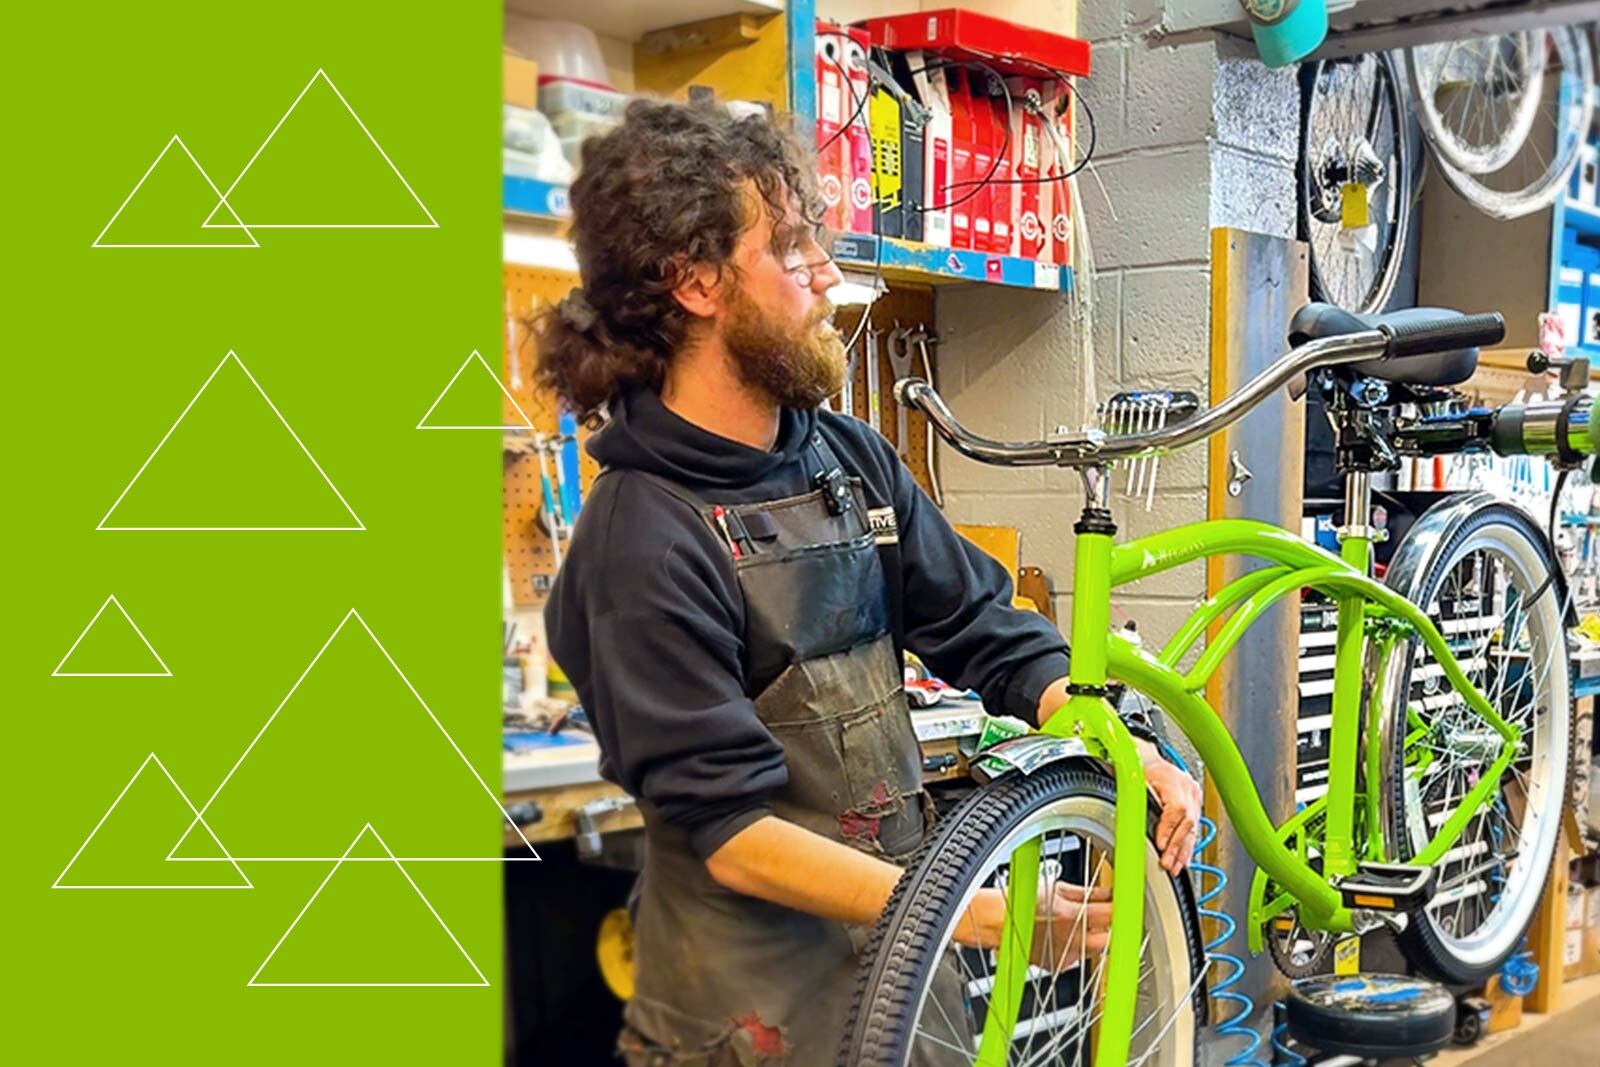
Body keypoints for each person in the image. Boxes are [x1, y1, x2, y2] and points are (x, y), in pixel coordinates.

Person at [538, 99, 1202, 1067]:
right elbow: (735, 833)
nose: (826, 273)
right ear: (694, 281)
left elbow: (978, 621)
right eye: (789, 248)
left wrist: (1112, 737)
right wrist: (983, 912)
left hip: (897, 981)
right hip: (745, 1025)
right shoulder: (642, 533)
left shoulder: (846, 460)